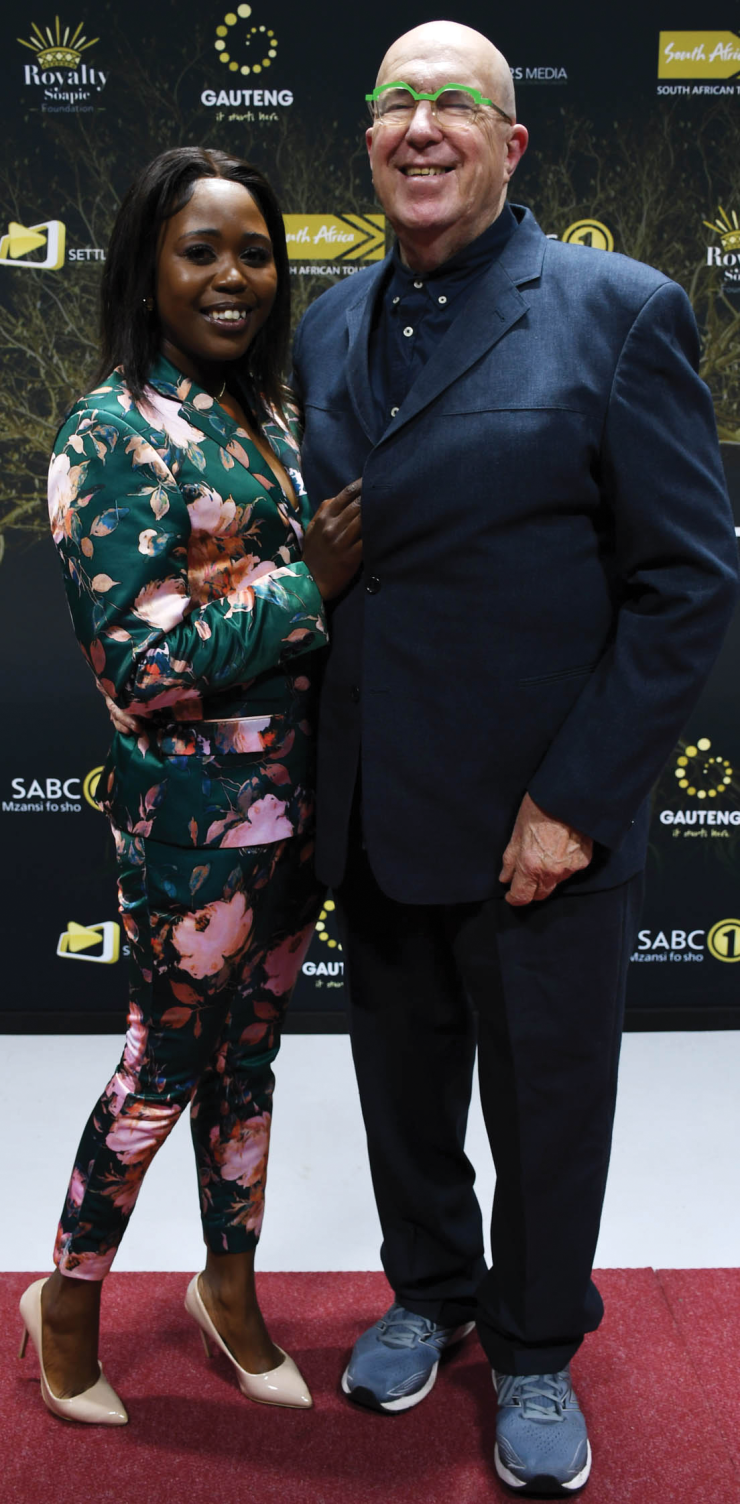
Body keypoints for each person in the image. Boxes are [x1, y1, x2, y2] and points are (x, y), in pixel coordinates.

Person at [291, 20, 739, 1495]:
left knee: (547, 1110)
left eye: (453, 105)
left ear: (509, 141)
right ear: (369, 137)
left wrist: (576, 802)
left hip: (539, 820)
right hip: (375, 801)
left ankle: (537, 1346)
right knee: (401, 1090)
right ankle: (427, 1294)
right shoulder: (325, 322)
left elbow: (687, 583)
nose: (420, 127)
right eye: (395, 104)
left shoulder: (619, 310)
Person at [26, 146, 361, 1425]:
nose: (233, 277)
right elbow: (140, 664)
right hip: (192, 832)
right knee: (160, 1066)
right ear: (145, 270)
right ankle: (65, 1303)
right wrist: (306, 586)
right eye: (201, 251)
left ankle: (228, 1288)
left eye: (255, 253)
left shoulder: (268, 418)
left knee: (252, 1064)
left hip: (298, 815)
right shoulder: (110, 431)